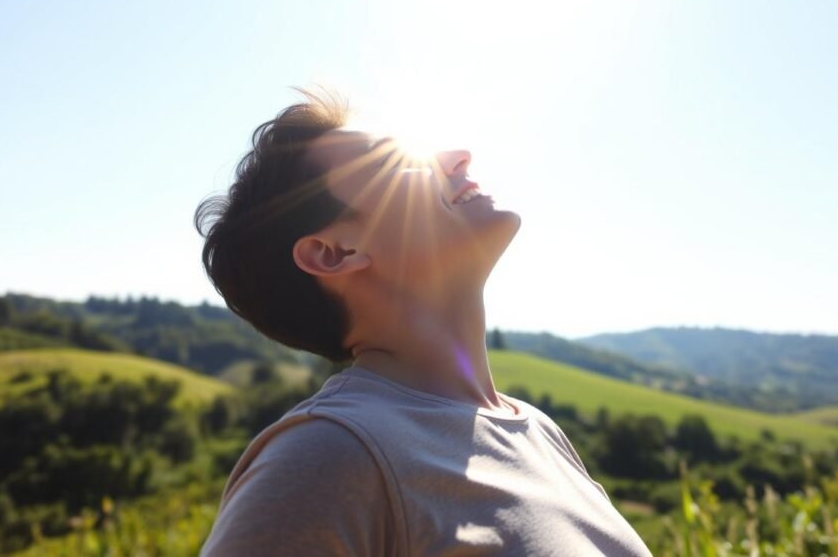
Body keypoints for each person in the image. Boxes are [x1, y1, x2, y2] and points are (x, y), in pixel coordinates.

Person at [195, 90, 653, 556]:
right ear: (335, 253)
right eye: (392, 163)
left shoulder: (536, 429)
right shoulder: (329, 454)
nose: (457, 158)